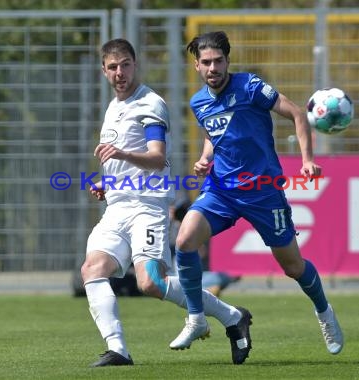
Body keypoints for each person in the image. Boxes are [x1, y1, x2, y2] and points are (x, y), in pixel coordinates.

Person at [81, 38, 253, 368]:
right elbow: (128, 161)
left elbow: (157, 159)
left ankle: (232, 315)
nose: (120, 72)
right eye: (113, 67)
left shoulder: (149, 104)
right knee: (92, 270)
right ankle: (118, 350)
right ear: (104, 71)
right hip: (117, 206)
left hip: (147, 207)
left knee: (151, 283)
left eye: (126, 65)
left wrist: (120, 155)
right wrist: (111, 180)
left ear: (136, 65)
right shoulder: (114, 107)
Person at [172, 31, 344, 356]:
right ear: (197, 66)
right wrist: (206, 157)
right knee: (184, 241)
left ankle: (324, 311)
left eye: (218, 61)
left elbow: (296, 113)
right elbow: (214, 131)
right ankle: (196, 317)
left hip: (263, 192)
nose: (213, 67)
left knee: (293, 267)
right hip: (222, 190)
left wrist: (308, 160)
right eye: (206, 62)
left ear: (227, 60)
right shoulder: (198, 102)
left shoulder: (250, 87)